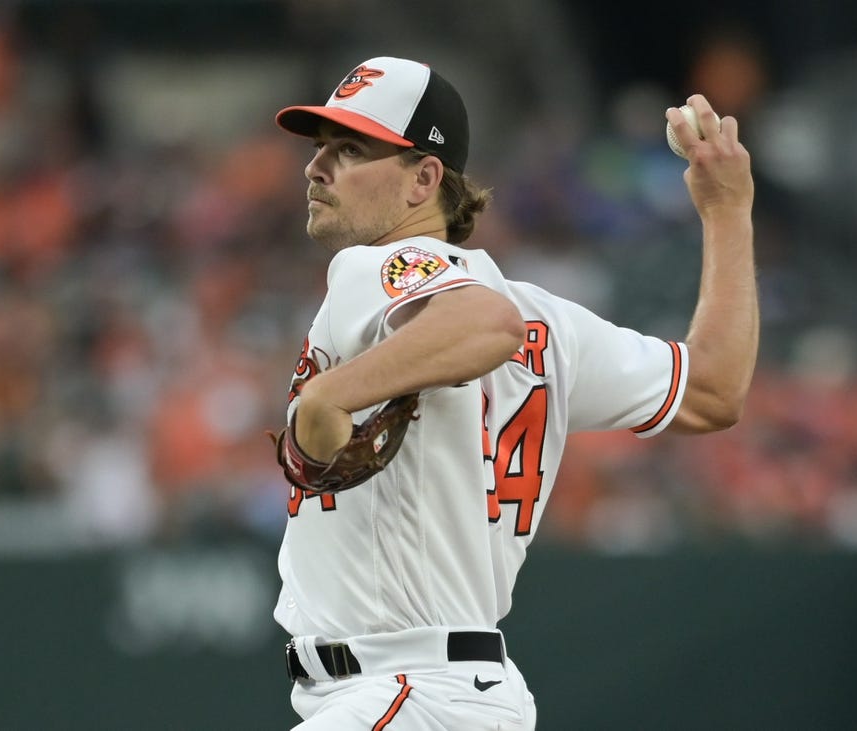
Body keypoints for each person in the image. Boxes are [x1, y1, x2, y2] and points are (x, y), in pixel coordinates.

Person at [270, 55, 758, 730]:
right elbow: (712, 387)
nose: (316, 167)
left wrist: (326, 397)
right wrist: (729, 212)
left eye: (351, 150)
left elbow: (483, 322)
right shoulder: (550, 322)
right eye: (321, 148)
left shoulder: (373, 266)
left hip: (402, 688)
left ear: (424, 179)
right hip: (463, 692)